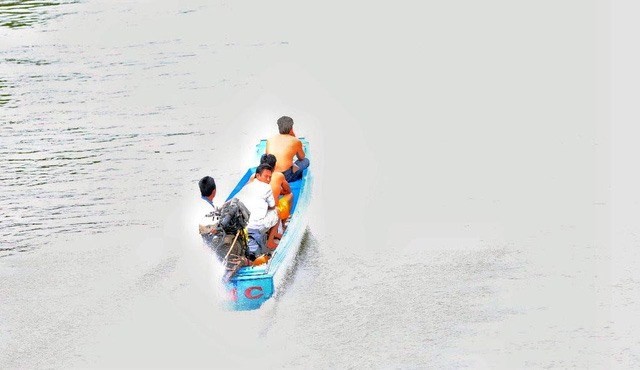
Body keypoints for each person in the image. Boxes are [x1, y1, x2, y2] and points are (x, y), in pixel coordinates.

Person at [237, 163, 281, 250]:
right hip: (255, 227)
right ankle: (270, 242)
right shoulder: (267, 187)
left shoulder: (246, 187)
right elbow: (272, 206)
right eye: (266, 176)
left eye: (270, 177)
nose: (268, 179)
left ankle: (271, 234)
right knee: (277, 211)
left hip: (242, 225)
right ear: (257, 175)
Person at [247, 154, 293, 222]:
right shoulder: (279, 175)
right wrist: (278, 191)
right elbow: (288, 191)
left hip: (254, 211)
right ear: (274, 167)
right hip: (273, 213)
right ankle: (283, 222)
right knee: (290, 195)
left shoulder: (253, 176)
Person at [266, 116, 310, 182]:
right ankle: (295, 177)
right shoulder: (295, 141)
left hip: (271, 174)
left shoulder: (269, 140)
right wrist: (294, 136)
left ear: (279, 127)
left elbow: (267, 157)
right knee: (305, 161)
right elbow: (301, 157)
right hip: (285, 176)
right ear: (291, 128)